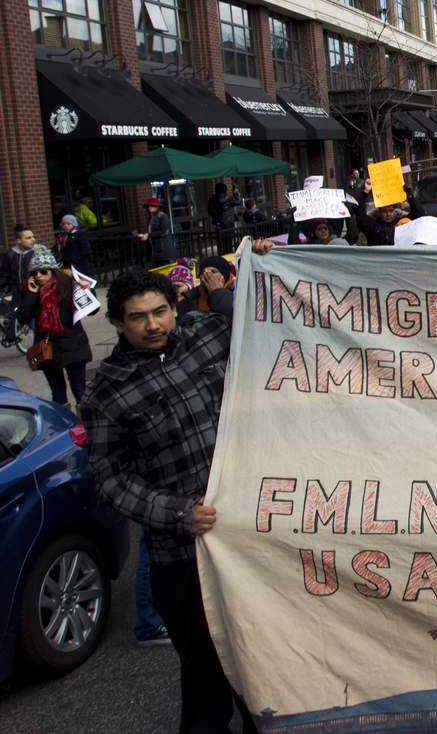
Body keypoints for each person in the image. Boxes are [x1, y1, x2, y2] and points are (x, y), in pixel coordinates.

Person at [81, 243, 271, 734]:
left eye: (160, 311)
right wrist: (177, 513)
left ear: (175, 306)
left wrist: (266, 264)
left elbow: (270, 315)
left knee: (263, 672)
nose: (153, 325)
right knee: (205, 681)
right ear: (118, 324)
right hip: (180, 557)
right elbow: (108, 477)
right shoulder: (106, 392)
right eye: (138, 317)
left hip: (248, 542)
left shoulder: (207, 335)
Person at [18, 245, 92, 409]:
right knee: (58, 395)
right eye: (35, 273)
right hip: (48, 349)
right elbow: (23, 317)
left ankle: (85, 422)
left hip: (72, 345)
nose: (38, 276)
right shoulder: (32, 291)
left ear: (53, 271)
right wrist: (31, 295)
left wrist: (87, 290)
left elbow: (92, 310)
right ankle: (65, 422)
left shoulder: (68, 286)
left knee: (80, 391)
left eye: (43, 272)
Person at [138, 197, 178, 266]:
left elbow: (165, 232)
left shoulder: (162, 216)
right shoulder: (150, 218)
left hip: (165, 251)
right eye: (148, 206)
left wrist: (148, 235)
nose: (149, 207)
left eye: (152, 205)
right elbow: (151, 232)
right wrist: (145, 235)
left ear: (157, 207)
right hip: (155, 251)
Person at [0, 225, 37, 297]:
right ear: (18, 240)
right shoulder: (10, 255)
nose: (33, 240)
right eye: (28, 238)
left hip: (34, 292)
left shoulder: (38, 252)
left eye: (33, 237)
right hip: (16, 293)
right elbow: (5, 276)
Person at [207, 182, 238, 255]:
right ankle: (229, 256)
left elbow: (210, 210)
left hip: (219, 224)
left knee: (221, 244)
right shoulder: (229, 198)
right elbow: (238, 201)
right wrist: (235, 192)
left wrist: (216, 217)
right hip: (229, 223)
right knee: (228, 243)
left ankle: (223, 255)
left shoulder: (212, 199)